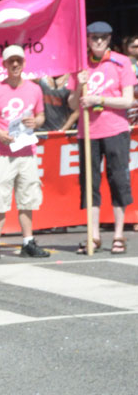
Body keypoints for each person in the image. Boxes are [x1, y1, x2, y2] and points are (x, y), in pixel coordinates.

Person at [68, 20, 135, 254]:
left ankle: (118, 234)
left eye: (103, 38)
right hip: (88, 132)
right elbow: (73, 103)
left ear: (109, 40)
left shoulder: (121, 62)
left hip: (115, 129)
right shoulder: (80, 65)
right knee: (90, 183)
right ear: (87, 39)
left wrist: (100, 100)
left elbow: (128, 100)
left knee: (118, 180)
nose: (98, 41)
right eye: (94, 37)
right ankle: (93, 235)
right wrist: (80, 87)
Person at [0, 46, 48, 260]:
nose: (15, 65)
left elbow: (42, 116)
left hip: (27, 151)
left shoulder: (34, 89)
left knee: (27, 198)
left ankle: (28, 241)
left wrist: (36, 122)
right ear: (5, 65)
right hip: (3, 152)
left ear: (24, 63)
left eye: (18, 61)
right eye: (11, 61)